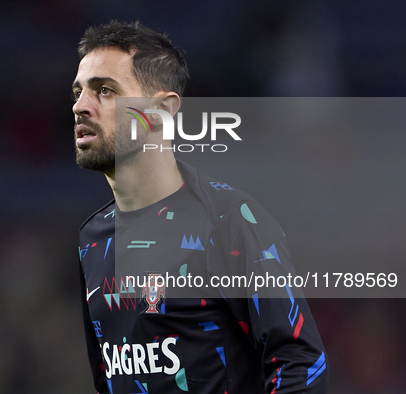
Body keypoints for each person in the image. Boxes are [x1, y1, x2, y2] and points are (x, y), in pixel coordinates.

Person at [74, 20, 328, 394]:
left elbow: (301, 365)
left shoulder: (228, 220)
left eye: (106, 91)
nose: (81, 106)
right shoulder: (91, 239)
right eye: (78, 92)